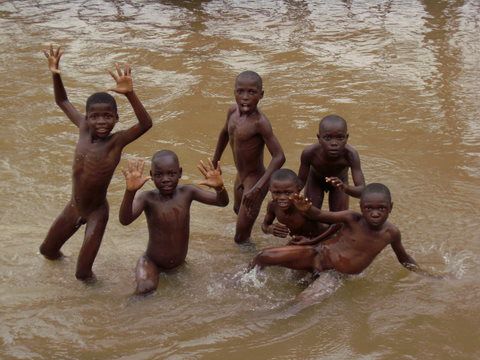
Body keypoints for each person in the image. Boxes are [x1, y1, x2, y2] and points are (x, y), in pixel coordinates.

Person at [39, 45, 153, 281]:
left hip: (96, 213)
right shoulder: (82, 128)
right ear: (87, 117)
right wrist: (55, 73)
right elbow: (62, 100)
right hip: (74, 206)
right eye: (95, 116)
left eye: (108, 116)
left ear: (116, 118)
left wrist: (130, 94)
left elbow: (145, 124)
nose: (101, 121)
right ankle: (64, 271)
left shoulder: (117, 141)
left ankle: (98, 299)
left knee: (82, 274)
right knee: (47, 252)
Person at [250, 183, 433, 278]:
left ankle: (279, 320)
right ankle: (242, 281)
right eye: (369, 208)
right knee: (263, 256)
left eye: (381, 209)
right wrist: (306, 209)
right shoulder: (351, 218)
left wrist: (426, 274)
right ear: (361, 207)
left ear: (390, 208)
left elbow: (404, 258)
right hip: (317, 255)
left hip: (334, 275)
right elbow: (320, 215)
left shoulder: (391, 233)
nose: (375, 213)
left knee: (303, 302)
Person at [119, 152, 229, 295]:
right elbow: (125, 220)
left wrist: (219, 187)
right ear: (151, 175)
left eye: (171, 174)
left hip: (178, 264)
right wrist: (130, 192)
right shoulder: (147, 198)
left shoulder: (188, 192)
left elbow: (222, 202)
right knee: (145, 289)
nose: (165, 179)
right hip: (152, 262)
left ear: (180, 173)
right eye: (159, 175)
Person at [212, 71, 285, 244]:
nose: (245, 97)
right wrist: (215, 160)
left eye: (251, 92)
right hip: (241, 175)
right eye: (240, 91)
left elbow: (279, 156)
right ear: (234, 92)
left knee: (240, 238)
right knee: (238, 211)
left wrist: (259, 188)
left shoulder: (260, 122)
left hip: (256, 178)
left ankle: (254, 266)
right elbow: (224, 133)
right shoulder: (232, 112)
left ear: (261, 95)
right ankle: (261, 229)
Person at [297, 114, 365, 211]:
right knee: (309, 214)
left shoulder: (351, 155)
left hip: (340, 183)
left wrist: (344, 187)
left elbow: (362, 190)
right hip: (315, 181)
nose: (334, 143)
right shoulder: (309, 153)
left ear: (347, 137)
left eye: (340, 138)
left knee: (339, 220)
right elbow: (300, 182)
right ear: (319, 138)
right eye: (328, 138)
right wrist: (289, 195)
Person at [262, 169, 336, 245]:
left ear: (298, 190)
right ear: (270, 190)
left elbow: (336, 224)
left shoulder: (303, 207)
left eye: (288, 193)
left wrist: (312, 241)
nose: (282, 197)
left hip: (322, 240)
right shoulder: (273, 205)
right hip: (301, 241)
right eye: (277, 193)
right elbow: (265, 225)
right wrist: (269, 229)